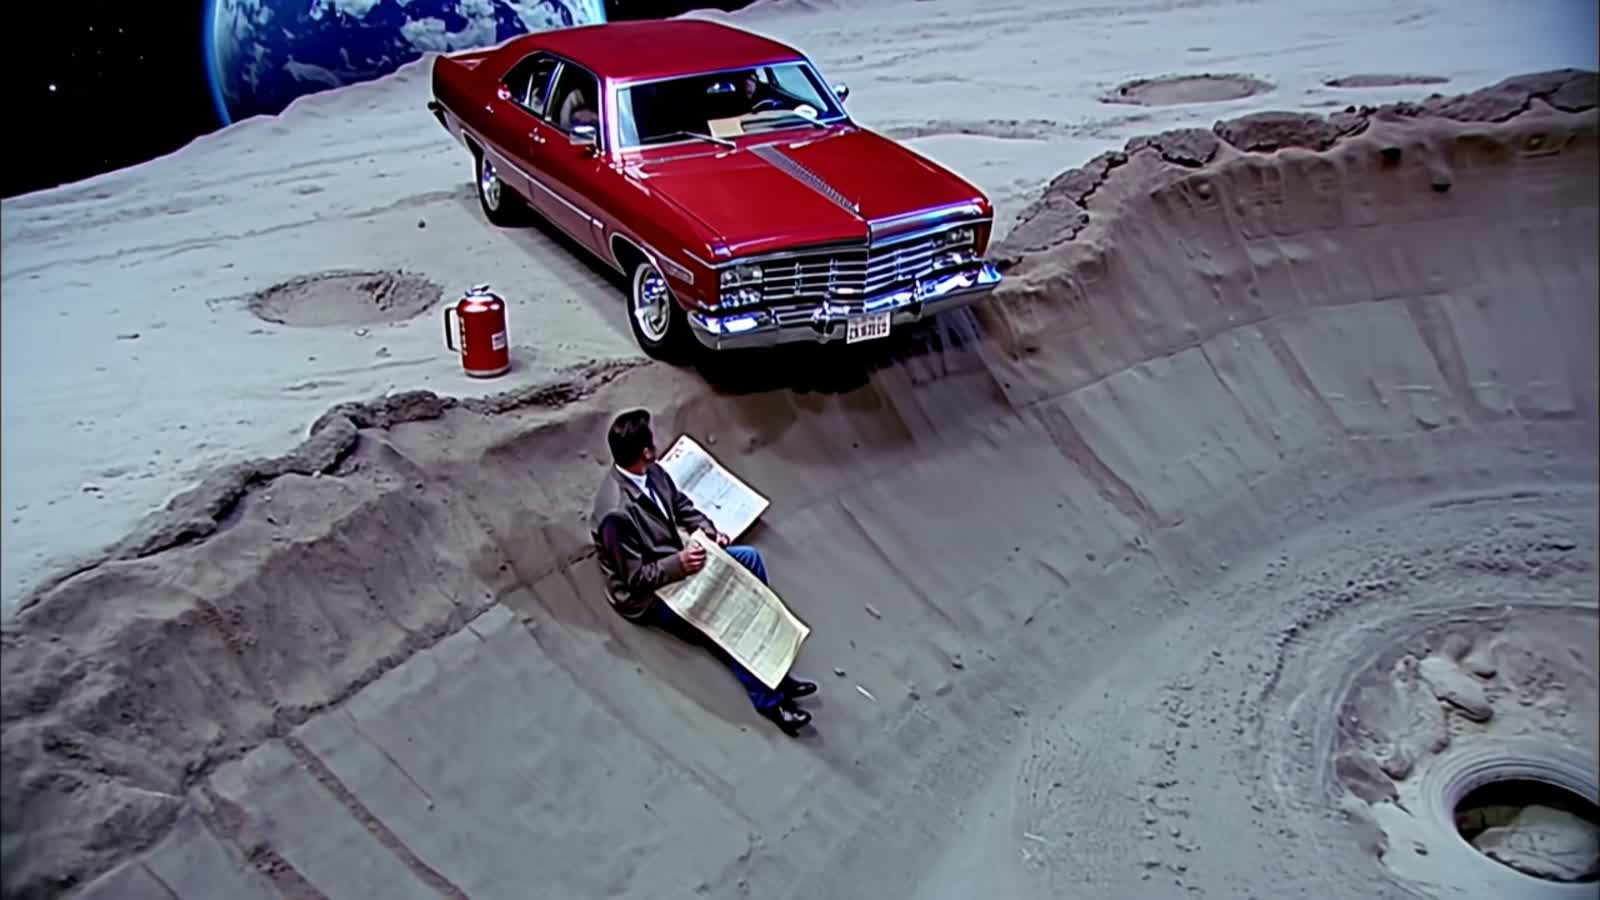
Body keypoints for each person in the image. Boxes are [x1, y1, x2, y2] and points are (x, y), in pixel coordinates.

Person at [590, 409, 816, 736]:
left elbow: (681, 505)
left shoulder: (654, 473)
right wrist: (679, 563)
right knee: (729, 614)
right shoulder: (616, 513)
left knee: (750, 561)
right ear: (645, 452)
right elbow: (635, 579)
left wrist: (708, 530)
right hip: (650, 594)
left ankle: (772, 667)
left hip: (676, 558)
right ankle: (770, 699)